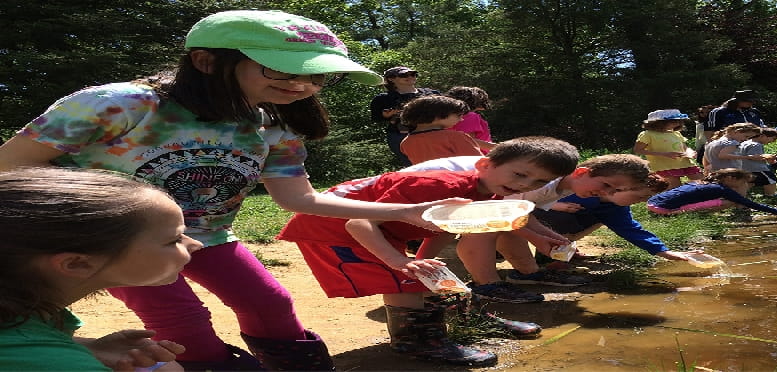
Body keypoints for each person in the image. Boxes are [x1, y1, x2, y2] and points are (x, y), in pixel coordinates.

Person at [0, 10, 465, 371]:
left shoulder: (273, 123)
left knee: (271, 303)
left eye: (315, 75)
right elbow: (9, 170)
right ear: (207, 62)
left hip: (208, 234)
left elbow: (297, 198)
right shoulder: (120, 105)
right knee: (184, 323)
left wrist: (412, 208)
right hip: (119, 244)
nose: (302, 85)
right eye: (281, 72)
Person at [277, 137, 580, 367]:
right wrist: (399, 261)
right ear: (485, 165)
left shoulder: (491, 191)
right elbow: (359, 221)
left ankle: (468, 320)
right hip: (332, 228)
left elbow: (442, 228)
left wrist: (422, 260)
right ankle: (416, 342)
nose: (526, 185)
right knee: (402, 280)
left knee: (432, 275)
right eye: (519, 175)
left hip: (380, 228)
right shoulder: (437, 187)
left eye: (540, 182)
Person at [0, 167, 200, 371]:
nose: (195, 244)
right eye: (174, 240)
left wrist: (87, 347)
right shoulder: (52, 363)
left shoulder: (22, 307)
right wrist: (69, 355)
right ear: (77, 263)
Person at [410, 154, 653, 302]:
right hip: (420, 193)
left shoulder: (565, 185)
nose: (606, 194)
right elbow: (499, 214)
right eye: (606, 185)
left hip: (457, 196)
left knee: (499, 223)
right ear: (582, 172)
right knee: (486, 227)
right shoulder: (543, 181)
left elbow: (521, 214)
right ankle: (486, 285)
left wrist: (550, 236)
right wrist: (537, 239)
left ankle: (527, 273)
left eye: (613, 192)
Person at [511, 174, 693, 286]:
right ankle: (548, 257)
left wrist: (665, 251)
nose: (642, 201)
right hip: (524, 218)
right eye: (640, 196)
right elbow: (529, 201)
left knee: (591, 219)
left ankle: (563, 251)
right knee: (567, 218)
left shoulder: (615, 208)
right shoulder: (582, 190)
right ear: (616, 188)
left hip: (542, 223)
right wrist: (556, 205)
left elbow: (631, 230)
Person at [646, 168, 777, 217]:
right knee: (732, 201)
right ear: (731, 178)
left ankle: (679, 212)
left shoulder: (700, 182)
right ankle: (678, 214)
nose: (743, 185)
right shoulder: (721, 189)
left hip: (652, 203)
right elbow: (749, 203)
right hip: (663, 210)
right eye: (742, 182)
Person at [369, 66, 440, 166]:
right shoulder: (383, 98)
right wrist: (386, 115)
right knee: (415, 165)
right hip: (402, 136)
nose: (410, 77)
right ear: (391, 79)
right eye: (404, 75)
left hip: (435, 133)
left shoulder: (432, 93)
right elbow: (377, 118)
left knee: (439, 163)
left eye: (413, 74)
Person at [399, 95, 486, 164]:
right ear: (438, 115)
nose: (461, 119)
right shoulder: (456, 137)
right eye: (458, 115)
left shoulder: (406, 142)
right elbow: (479, 163)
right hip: (459, 181)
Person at [633, 109, 702, 189]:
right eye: (674, 121)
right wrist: (665, 154)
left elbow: (685, 147)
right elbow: (638, 150)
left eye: (679, 121)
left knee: (702, 181)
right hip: (664, 166)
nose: (678, 123)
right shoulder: (648, 134)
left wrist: (690, 152)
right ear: (659, 123)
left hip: (685, 163)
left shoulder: (676, 133)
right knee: (675, 189)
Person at [444, 86, 495, 153]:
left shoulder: (449, 116)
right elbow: (468, 141)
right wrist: (497, 147)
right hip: (475, 157)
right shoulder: (469, 116)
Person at [739, 128, 777, 197]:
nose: (773, 141)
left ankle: (739, 194)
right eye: (773, 139)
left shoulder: (746, 142)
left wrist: (766, 158)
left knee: (751, 182)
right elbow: (753, 157)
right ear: (762, 136)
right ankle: (770, 194)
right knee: (771, 180)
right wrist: (767, 157)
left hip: (745, 167)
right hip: (756, 168)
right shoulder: (756, 145)